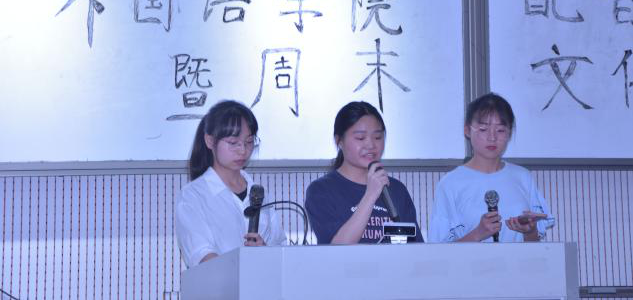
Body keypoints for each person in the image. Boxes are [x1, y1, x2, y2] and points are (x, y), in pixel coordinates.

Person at [428, 93, 554, 243]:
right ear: (467, 130)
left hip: (518, 259)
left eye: (500, 130)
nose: (492, 137)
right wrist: (478, 234)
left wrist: (530, 232)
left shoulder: (523, 177)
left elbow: (535, 247)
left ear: (509, 132)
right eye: (483, 129)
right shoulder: (450, 184)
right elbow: (438, 250)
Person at [175, 100, 286, 267]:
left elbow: (280, 247)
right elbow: (201, 256)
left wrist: (265, 252)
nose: (243, 150)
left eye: (249, 142)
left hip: (262, 282)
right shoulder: (193, 196)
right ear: (210, 141)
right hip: (219, 284)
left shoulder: (259, 193)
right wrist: (244, 270)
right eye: (233, 143)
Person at [305, 101, 423, 244]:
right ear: (339, 141)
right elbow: (337, 249)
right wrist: (371, 194)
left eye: (378, 137)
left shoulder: (397, 190)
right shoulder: (321, 191)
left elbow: (416, 249)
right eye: (360, 138)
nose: (371, 145)